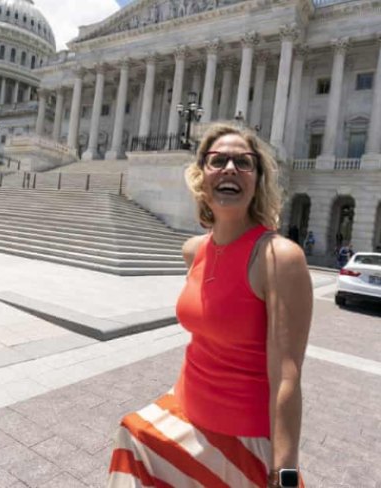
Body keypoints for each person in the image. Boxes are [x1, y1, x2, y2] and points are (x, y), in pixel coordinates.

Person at [107, 123, 312, 488]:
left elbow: (287, 375)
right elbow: (202, 341)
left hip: (242, 437)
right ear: (202, 176)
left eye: (243, 162)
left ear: (258, 179)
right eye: (218, 161)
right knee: (131, 437)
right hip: (187, 410)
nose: (230, 168)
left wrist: (285, 472)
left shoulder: (278, 256)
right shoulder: (194, 250)